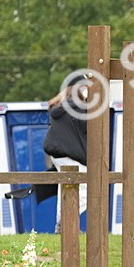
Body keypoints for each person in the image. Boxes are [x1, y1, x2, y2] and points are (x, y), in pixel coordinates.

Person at [43, 78, 89, 232]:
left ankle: (61, 225)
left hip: (58, 155)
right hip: (72, 155)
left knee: (65, 189)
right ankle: (65, 222)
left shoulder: (60, 107)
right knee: (86, 188)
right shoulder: (79, 107)